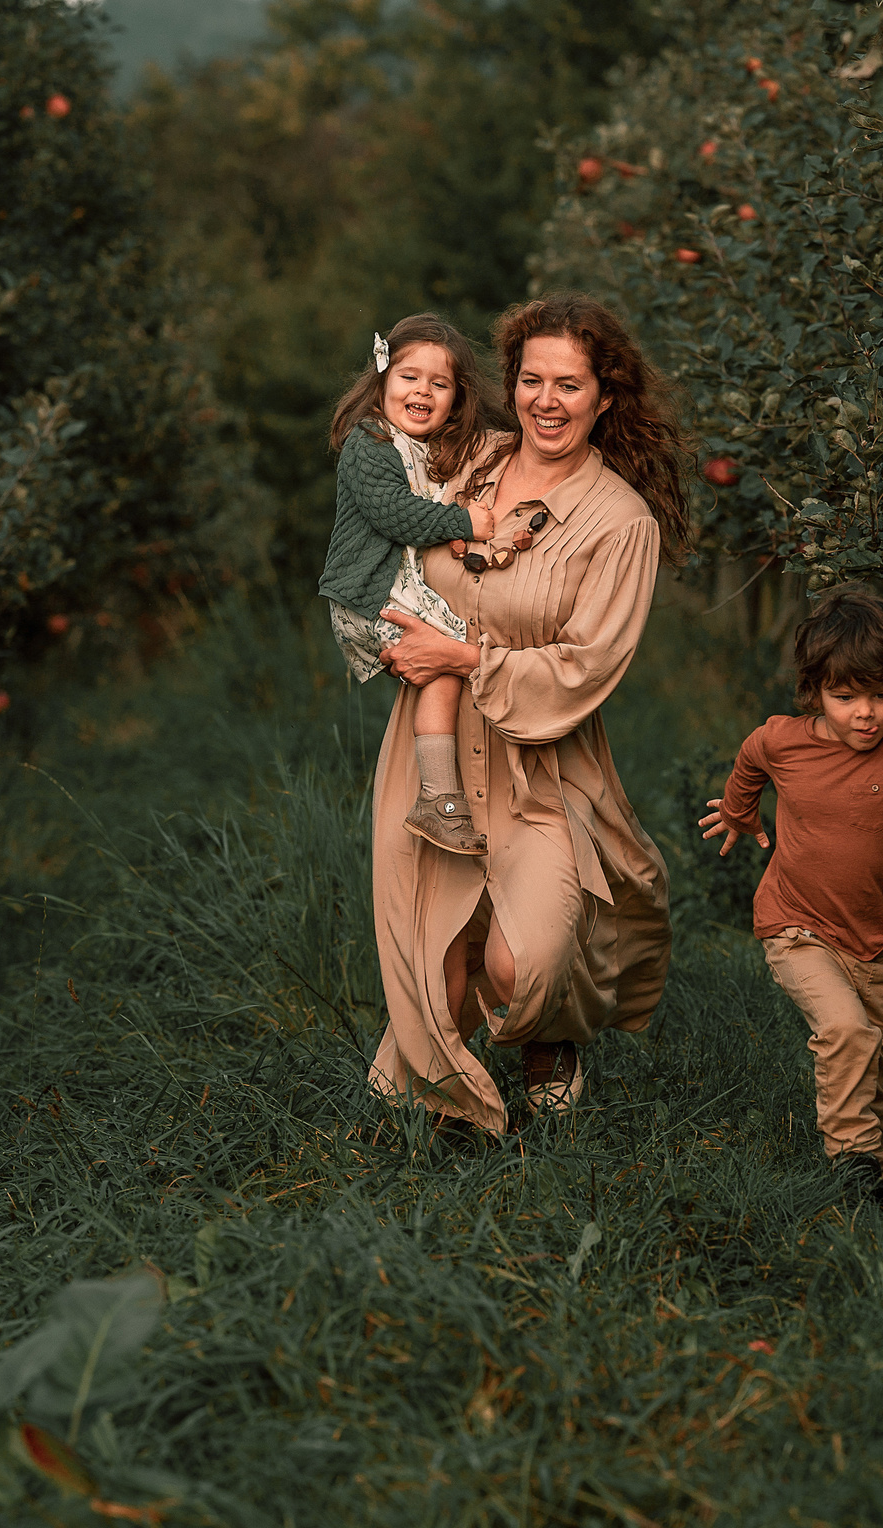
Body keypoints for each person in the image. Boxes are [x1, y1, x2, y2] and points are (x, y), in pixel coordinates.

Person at [370, 294, 691, 1130]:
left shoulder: (621, 523)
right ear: (508, 385)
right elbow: (376, 511)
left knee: (526, 964)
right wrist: (375, 622)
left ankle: (551, 1035)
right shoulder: (464, 460)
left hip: (540, 758)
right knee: (435, 966)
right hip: (434, 741)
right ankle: (451, 1084)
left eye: (571, 385)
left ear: (605, 396)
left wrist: (465, 656)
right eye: (531, 380)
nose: (547, 401)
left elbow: (587, 665)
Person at [698, 585, 883, 1204]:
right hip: (795, 924)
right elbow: (752, 755)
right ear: (814, 691)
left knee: (873, 1062)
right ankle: (850, 1163)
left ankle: (874, 1162)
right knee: (846, 1031)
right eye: (844, 697)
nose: (865, 713)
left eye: (880, 694)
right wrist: (741, 812)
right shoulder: (785, 741)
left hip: (874, 940)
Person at [316, 315, 515, 855]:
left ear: (457, 399)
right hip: (366, 596)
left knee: (445, 668)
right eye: (409, 376)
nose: (422, 391)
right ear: (382, 381)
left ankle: (441, 794)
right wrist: (464, 525)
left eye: (440, 383)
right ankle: (438, 797)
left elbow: (430, 503)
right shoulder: (370, 444)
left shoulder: (425, 448)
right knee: (448, 660)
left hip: (391, 587)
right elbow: (399, 518)